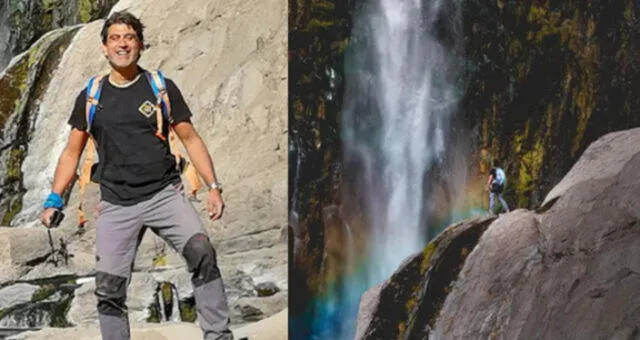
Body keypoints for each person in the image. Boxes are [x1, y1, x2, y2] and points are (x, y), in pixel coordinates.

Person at [39, 11, 237, 340]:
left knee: (202, 252)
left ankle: (218, 335)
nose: (122, 44)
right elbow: (71, 153)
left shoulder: (160, 87)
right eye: (115, 38)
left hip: (165, 195)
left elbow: (190, 139)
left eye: (129, 37)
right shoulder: (92, 95)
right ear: (104, 47)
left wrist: (213, 188)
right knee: (108, 288)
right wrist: (54, 199)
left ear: (140, 45)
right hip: (116, 203)